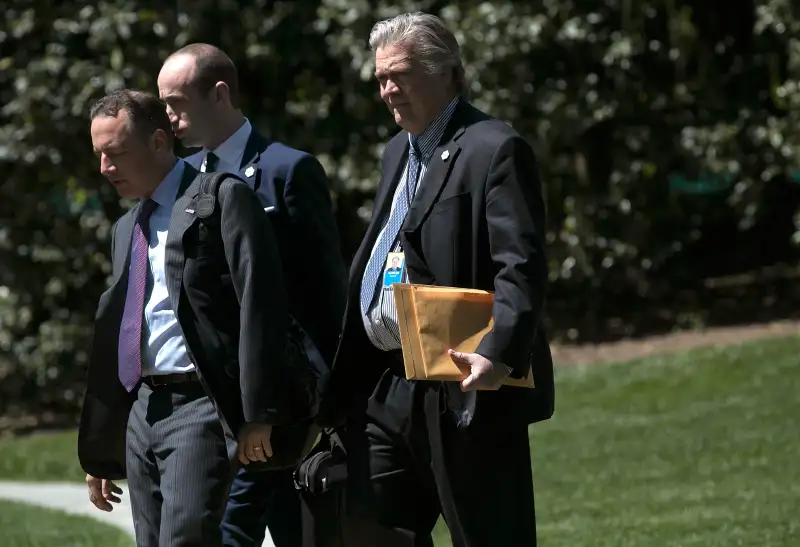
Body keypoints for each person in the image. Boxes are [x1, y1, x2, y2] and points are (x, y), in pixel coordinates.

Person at [320, 12, 555, 547]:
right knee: (372, 527)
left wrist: (499, 352)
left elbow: (520, 265)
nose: (386, 90)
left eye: (398, 74)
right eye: (380, 78)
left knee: (489, 535)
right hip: (387, 385)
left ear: (446, 70)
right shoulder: (394, 153)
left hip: (464, 382)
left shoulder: (492, 146)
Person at [78, 89, 293, 547]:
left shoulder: (222, 198)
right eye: (99, 155)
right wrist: (102, 450)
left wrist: (258, 412)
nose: (104, 168)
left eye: (116, 153)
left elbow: (262, 303)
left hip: (199, 405)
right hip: (142, 410)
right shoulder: (125, 228)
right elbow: (119, 335)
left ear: (159, 142)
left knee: (187, 539)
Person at [157, 44, 348, 547]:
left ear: (219, 94)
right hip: (209, 406)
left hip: (283, 401)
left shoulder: (288, 170)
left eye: (177, 102)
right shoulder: (182, 184)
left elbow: (324, 289)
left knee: (254, 528)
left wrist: (331, 397)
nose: (169, 117)